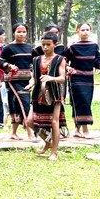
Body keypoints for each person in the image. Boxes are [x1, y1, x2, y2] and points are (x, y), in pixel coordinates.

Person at [29, 31, 68, 161]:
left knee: (54, 122)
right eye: (43, 44)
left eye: (48, 45)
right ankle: (48, 142)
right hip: (37, 94)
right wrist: (30, 84)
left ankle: (54, 152)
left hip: (54, 94)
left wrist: (51, 78)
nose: (45, 47)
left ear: (55, 45)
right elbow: (34, 77)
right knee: (29, 121)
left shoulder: (60, 59)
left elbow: (62, 78)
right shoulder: (36, 60)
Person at [65, 22, 100, 138]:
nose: (85, 32)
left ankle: (76, 129)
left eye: (87, 30)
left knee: (86, 102)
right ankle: (85, 130)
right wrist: (67, 68)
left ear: (90, 31)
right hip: (76, 79)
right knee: (81, 102)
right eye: (82, 30)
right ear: (77, 31)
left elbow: (97, 61)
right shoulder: (73, 47)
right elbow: (63, 59)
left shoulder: (94, 46)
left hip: (89, 79)